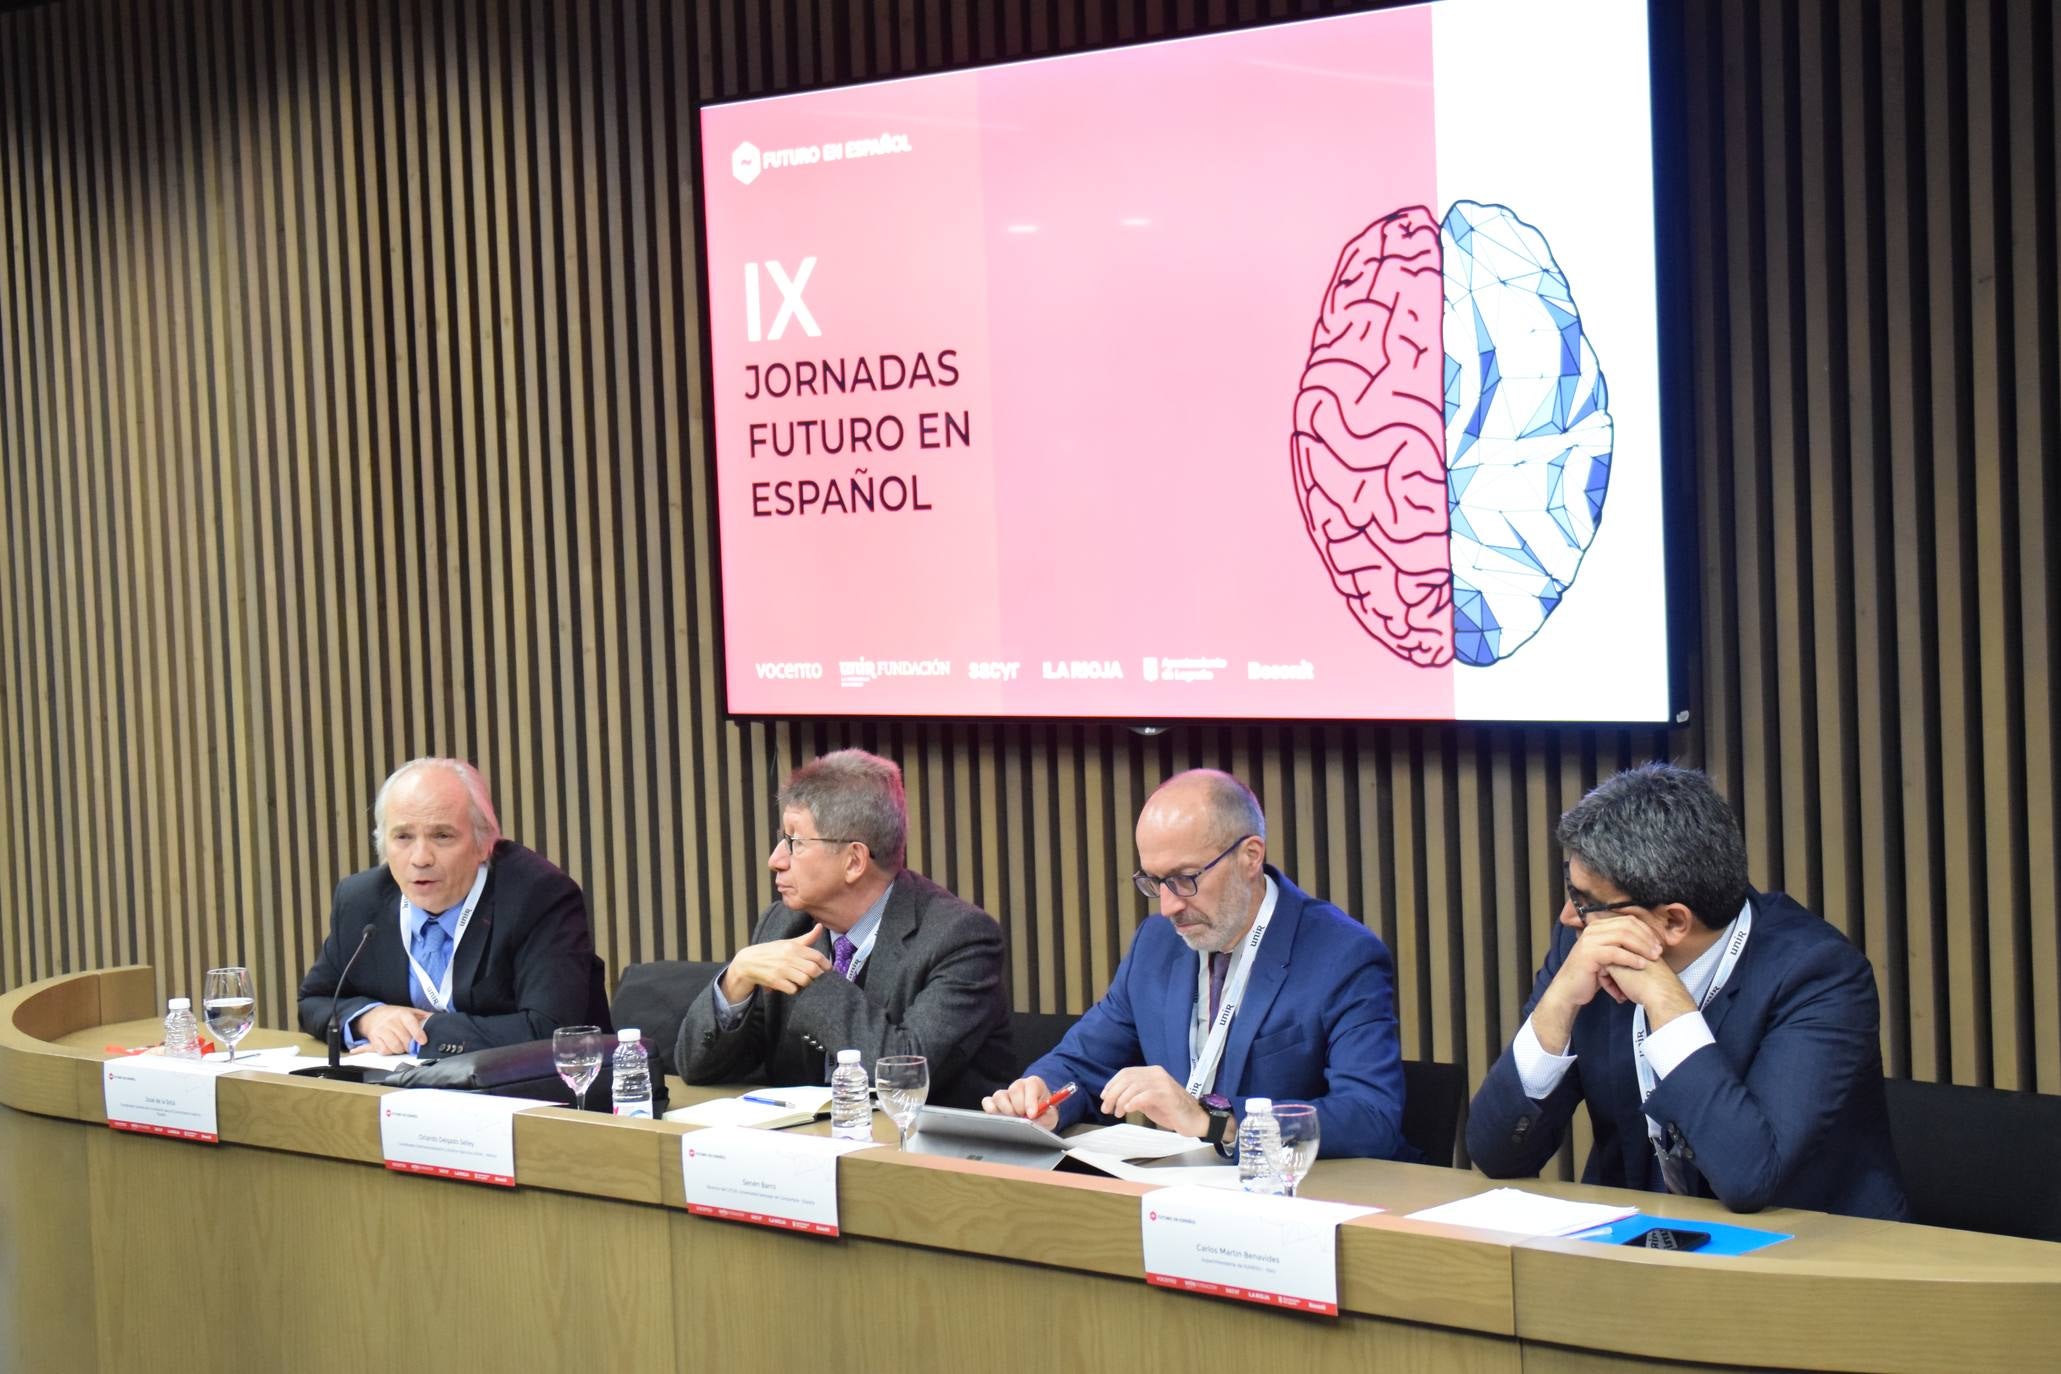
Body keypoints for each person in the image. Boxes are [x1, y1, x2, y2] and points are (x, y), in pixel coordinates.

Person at [1467, 762, 1909, 1219]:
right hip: (1634, 1241)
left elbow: (1751, 1178)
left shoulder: (1818, 975)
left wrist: (1668, 1004)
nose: (1567, 916)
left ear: (1674, 921)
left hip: (1809, 1248)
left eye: (1586, 903)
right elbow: (1496, 1154)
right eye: (1571, 889)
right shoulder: (1587, 946)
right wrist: (1557, 1002)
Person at [982, 769, 1408, 1160]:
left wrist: (1215, 1121)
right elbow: (1080, 1064)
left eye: (1185, 878)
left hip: (1297, 1194)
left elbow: (1371, 1117)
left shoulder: (1342, 955)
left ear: (1250, 856)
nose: (1168, 906)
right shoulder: (1155, 945)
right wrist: (1043, 1097)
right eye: (1154, 881)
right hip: (1179, 1190)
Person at [675, 750, 1012, 1107]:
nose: (775, 860)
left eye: (795, 842)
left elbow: (904, 1078)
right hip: (804, 1140)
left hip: (916, 1140)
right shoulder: (784, 924)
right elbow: (698, 1069)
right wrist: (736, 980)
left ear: (854, 861)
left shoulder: (961, 938)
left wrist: (813, 979)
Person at [298, 757, 599, 1057]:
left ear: (483, 843)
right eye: (403, 837)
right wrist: (370, 1018)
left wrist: (422, 1033)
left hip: (531, 1085)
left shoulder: (539, 897)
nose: (420, 858)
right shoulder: (362, 901)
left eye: (442, 836)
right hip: (395, 1084)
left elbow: (551, 1031)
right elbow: (314, 1001)